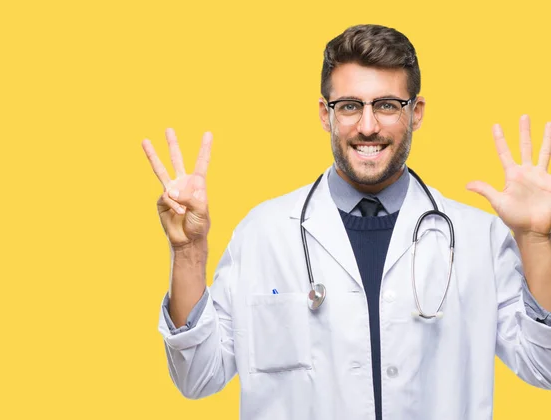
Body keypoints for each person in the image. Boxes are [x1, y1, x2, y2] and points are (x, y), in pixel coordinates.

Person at [143, 24, 551, 420]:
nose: (368, 126)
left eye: (388, 105)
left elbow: (542, 368)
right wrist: (188, 252)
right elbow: (197, 377)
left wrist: (534, 240)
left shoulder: (477, 238)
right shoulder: (264, 233)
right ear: (326, 114)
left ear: (417, 112)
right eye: (350, 106)